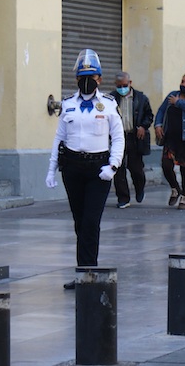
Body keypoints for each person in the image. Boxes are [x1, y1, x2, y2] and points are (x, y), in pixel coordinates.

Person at [45, 49, 124, 289]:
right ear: (76, 79)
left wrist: (113, 165)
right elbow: (59, 137)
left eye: (91, 76)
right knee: (79, 221)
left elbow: (118, 138)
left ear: (99, 79)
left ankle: (89, 272)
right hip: (72, 167)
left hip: (99, 168)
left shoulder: (109, 104)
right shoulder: (68, 104)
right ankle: (83, 272)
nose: (86, 81)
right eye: (82, 77)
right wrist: (51, 168)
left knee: (91, 221)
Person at [154, 72, 185, 210]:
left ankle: (184, 198)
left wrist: (178, 103)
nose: (183, 85)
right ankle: (175, 188)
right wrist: (158, 125)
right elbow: (161, 110)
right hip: (171, 138)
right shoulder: (173, 95)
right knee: (166, 165)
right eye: (182, 81)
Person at [110, 71, 153, 208]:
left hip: (134, 137)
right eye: (119, 85)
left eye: (124, 85)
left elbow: (149, 115)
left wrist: (143, 126)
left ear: (130, 83)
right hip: (118, 137)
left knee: (136, 168)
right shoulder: (111, 99)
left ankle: (139, 188)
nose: (122, 88)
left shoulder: (141, 98)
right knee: (118, 168)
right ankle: (123, 198)